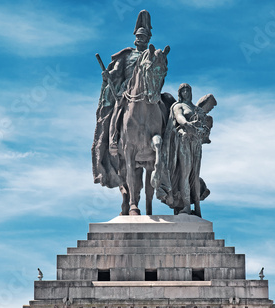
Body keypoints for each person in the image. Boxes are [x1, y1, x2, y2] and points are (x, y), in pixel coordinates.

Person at [91, 10, 152, 188]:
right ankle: (113, 140)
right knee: (118, 110)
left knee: (164, 105)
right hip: (127, 91)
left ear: (148, 39)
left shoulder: (151, 56)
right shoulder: (127, 55)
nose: (142, 39)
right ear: (136, 37)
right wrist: (107, 75)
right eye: (140, 36)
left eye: (145, 36)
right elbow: (116, 72)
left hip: (148, 91)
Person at [157, 83, 215, 217]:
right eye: (183, 90)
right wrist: (187, 124)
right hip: (183, 141)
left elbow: (203, 122)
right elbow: (179, 118)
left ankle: (198, 208)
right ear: (180, 93)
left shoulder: (196, 108)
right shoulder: (178, 106)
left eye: (187, 90)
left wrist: (203, 128)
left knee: (194, 176)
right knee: (185, 173)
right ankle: (187, 206)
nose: (186, 92)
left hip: (195, 143)